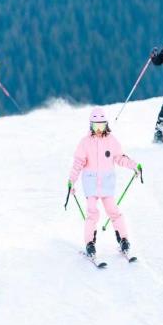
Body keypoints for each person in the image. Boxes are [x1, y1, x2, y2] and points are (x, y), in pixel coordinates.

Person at [68, 107, 140, 258]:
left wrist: (133, 165)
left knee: (113, 211)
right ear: (91, 126)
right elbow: (78, 163)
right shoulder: (85, 143)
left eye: (101, 125)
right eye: (96, 126)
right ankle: (90, 243)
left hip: (107, 184)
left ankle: (124, 239)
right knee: (92, 213)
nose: (99, 130)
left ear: (106, 125)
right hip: (91, 184)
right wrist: (71, 181)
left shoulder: (111, 141)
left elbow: (120, 157)